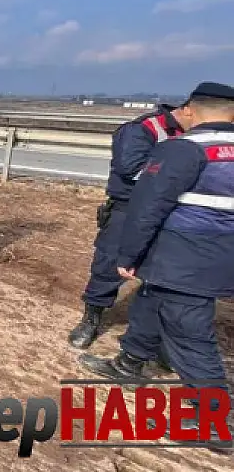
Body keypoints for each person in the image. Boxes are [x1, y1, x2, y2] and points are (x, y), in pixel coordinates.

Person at [78, 82, 234, 451]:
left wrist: (129, 255)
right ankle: (131, 363)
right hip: (213, 257)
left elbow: (148, 207)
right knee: (149, 301)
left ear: (193, 111)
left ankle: (214, 420)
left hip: (186, 257)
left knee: (190, 334)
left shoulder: (185, 149)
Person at [67, 100, 190, 349]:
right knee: (108, 264)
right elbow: (129, 167)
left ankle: (156, 333)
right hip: (130, 209)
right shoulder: (144, 129)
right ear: (189, 110)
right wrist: (177, 177)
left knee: (165, 269)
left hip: (173, 210)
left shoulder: (197, 134)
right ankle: (92, 317)